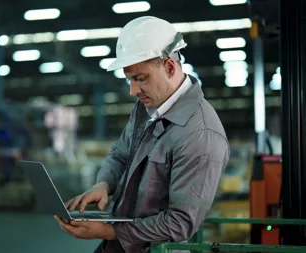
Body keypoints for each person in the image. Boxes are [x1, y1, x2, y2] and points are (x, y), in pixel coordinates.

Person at [54, 16, 229, 253]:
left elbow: (180, 223)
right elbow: (120, 154)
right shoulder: (148, 107)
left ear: (169, 67)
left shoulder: (200, 134)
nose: (133, 90)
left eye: (140, 78)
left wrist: (109, 231)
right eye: (129, 79)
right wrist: (104, 184)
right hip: (119, 245)